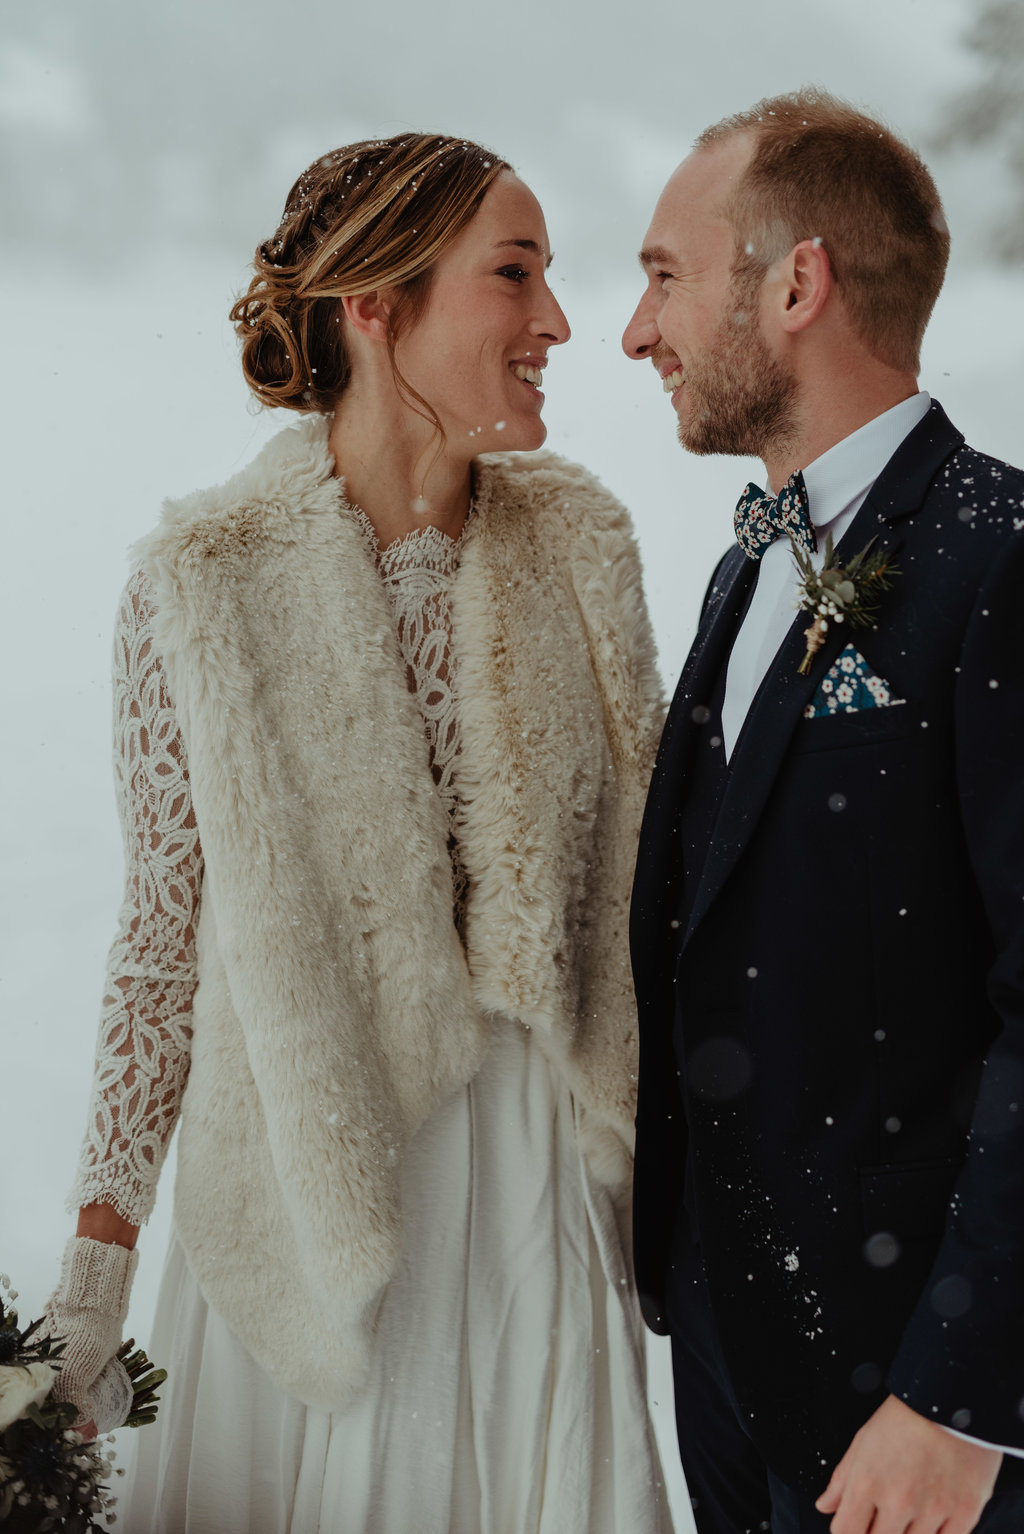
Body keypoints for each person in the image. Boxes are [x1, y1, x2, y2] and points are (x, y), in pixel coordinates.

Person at [43, 131, 674, 1534]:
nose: (558, 322)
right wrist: (93, 1281)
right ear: (373, 304)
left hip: (537, 1198)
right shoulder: (197, 589)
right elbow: (160, 948)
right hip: (301, 1188)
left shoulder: (586, 549)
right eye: (515, 275)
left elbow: (661, 900)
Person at [623, 88, 1024, 1534]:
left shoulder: (1005, 559)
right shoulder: (743, 570)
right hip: (734, 1366)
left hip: (914, 1406)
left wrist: (963, 1402)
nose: (635, 330)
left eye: (665, 274)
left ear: (795, 283)